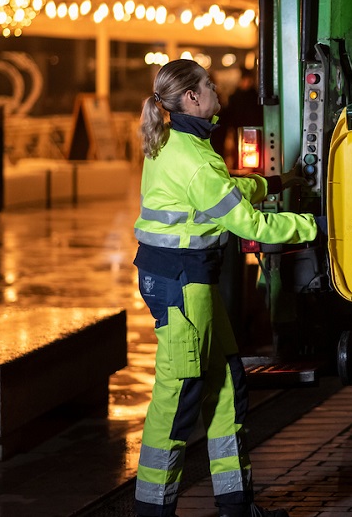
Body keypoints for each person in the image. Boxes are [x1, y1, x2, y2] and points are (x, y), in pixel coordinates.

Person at [132, 59, 321, 517]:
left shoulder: (181, 141)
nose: (218, 91)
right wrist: (317, 227)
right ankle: (152, 512)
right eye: (209, 86)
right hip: (182, 286)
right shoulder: (193, 158)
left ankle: (236, 507)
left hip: (185, 282)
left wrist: (279, 181)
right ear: (193, 98)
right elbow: (247, 221)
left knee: (227, 385)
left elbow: (226, 192)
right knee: (178, 400)